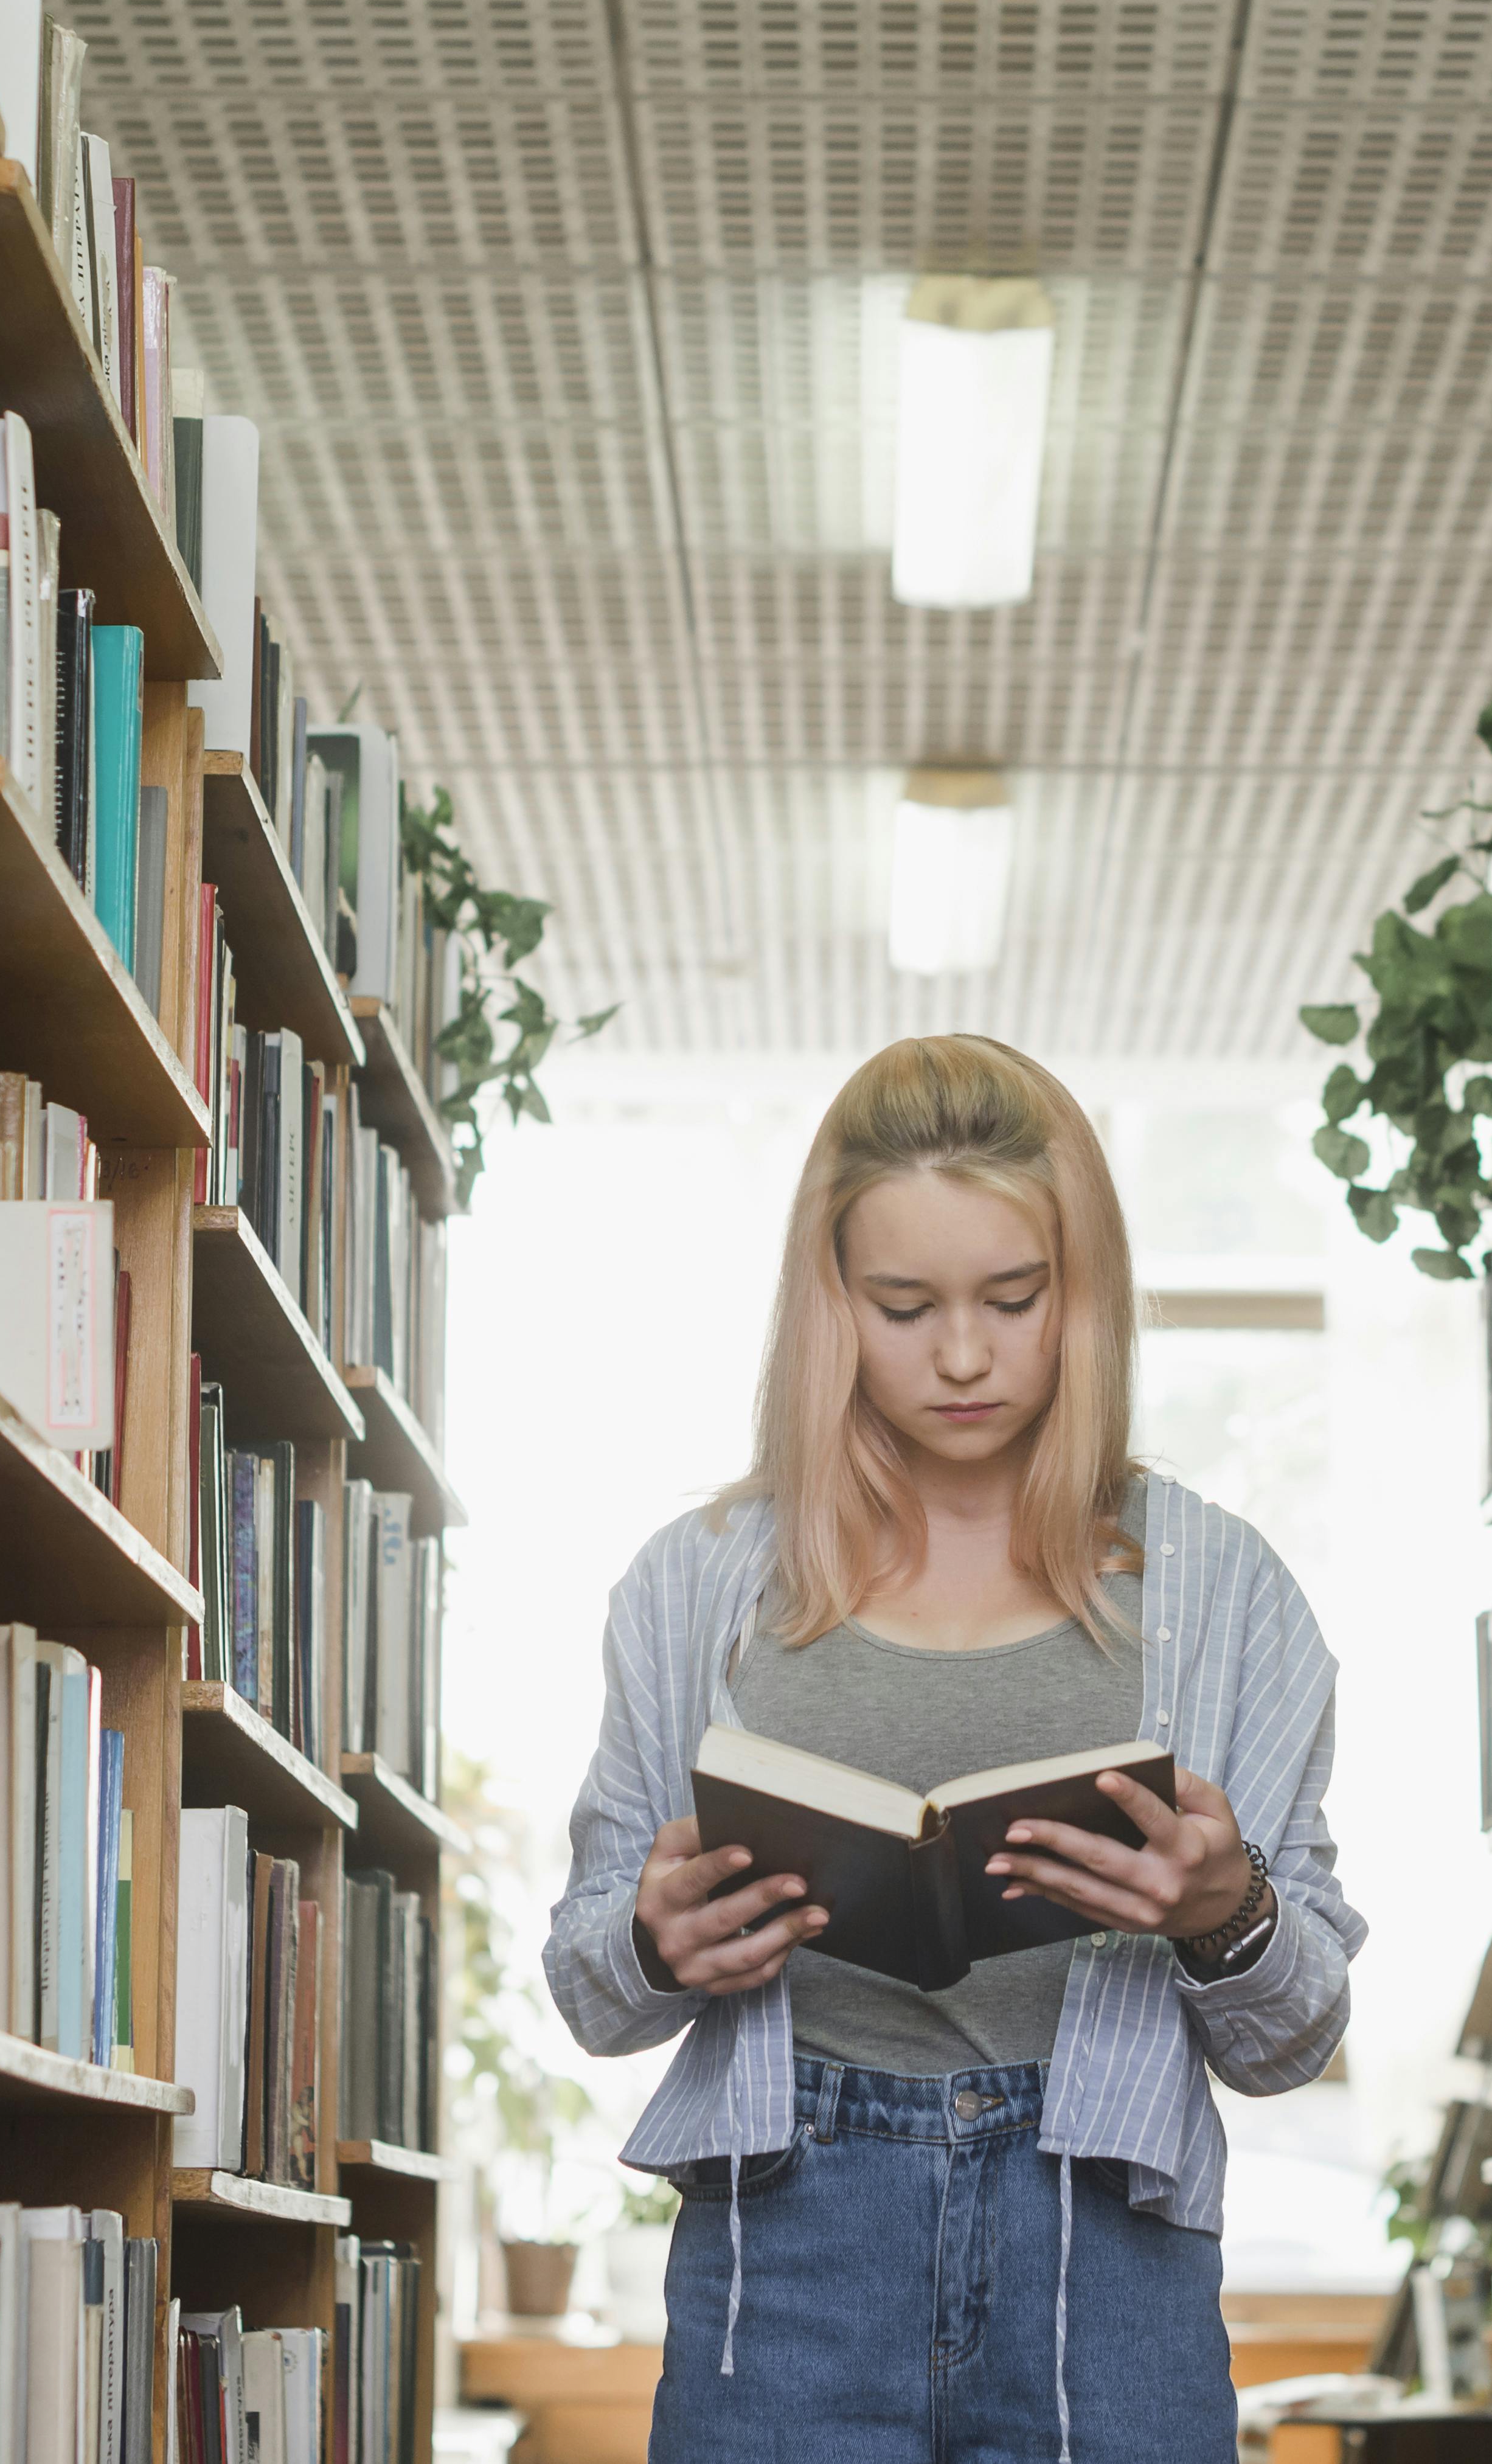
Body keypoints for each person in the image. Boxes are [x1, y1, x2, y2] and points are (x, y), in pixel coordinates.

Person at [546, 1036, 1362, 2464]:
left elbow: (1292, 2040)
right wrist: (654, 1940)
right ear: (828, 1305)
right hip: (786, 2253)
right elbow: (590, 1992)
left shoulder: (1227, 1594)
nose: (966, 1355)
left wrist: (1223, 1914)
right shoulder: (692, 1586)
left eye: (1014, 1297)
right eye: (905, 1305)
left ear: (1085, 1294)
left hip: (1104, 2260)